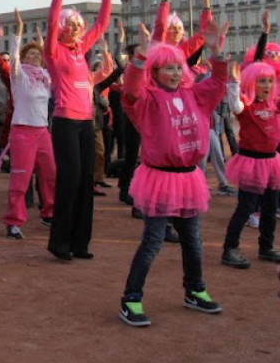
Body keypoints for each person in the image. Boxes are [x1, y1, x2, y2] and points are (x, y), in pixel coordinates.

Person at [118, 21, 227, 327]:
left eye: (178, 68)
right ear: (154, 73)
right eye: (167, 68)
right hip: (160, 179)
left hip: (188, 177)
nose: (175, 74)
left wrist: (217, 51)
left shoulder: (195, 94)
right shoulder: (147, 100)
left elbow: (218, 83)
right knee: (153, 241)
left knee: (193, 240)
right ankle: (131, 299)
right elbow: (131, 92)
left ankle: (195, 290)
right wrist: (139, 59)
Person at [45, 0, 114, 262]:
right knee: (70, 179)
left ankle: (80, 243)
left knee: (86, 181)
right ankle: (59, 242)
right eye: (68, 24)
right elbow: (49, 23)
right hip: (64, 123)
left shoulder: (80, 51)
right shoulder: (54, 51)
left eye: (76, 25)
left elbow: (101, 25)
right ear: (61, 28)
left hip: (86, 123)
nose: (74, 28)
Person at [220, 60, 280, 269]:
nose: (266, 85)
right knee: (246, 207)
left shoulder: (272, 103)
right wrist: (234, 84)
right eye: (261, 81)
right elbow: (235, 104)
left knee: (270, 208)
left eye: (269, 81)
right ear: (252, 83)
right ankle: (230, 248)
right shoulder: (247, 103)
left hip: (271, 162)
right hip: (252, 162)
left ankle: (266, 247)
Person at [4, 8, 56, 239]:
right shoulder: (19, 76)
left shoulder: (45, 78)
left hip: (42, 131)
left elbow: (54, 62)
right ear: (24, 58)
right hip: (23, 131)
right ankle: (14, 221)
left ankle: (50, 212)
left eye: (38, 55)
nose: (35, 57)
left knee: (50, 174)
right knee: (21, 178)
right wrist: (19, 31)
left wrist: (45, 43)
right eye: (31, 55)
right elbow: (13, 59)